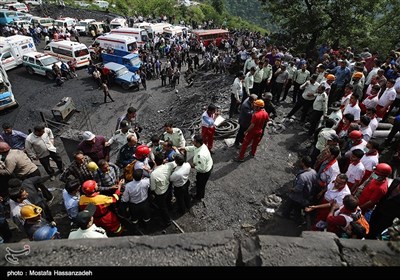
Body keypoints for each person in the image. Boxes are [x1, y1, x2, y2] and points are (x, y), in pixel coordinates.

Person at [281, 156, 317, 224]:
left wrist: (291, 189)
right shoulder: (313, 172)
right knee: (296, 208)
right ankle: (297, 219)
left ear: (303, 163)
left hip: (297, 196)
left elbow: (298, 189)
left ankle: (289, 217)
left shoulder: (302, 176)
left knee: (290, 205)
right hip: (306, 194)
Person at [179, 134, 213, 202]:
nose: (192, 142)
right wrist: (185, 148)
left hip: (205, 172)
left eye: (193, 141)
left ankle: (199, 197)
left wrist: (192, 166)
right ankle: (198, 184)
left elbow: (202, 169)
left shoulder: (201, 155)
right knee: (198, 180)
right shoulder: (201, 146)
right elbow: (193, 148)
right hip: (206, 165)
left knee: (201, 186)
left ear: (197, 142)